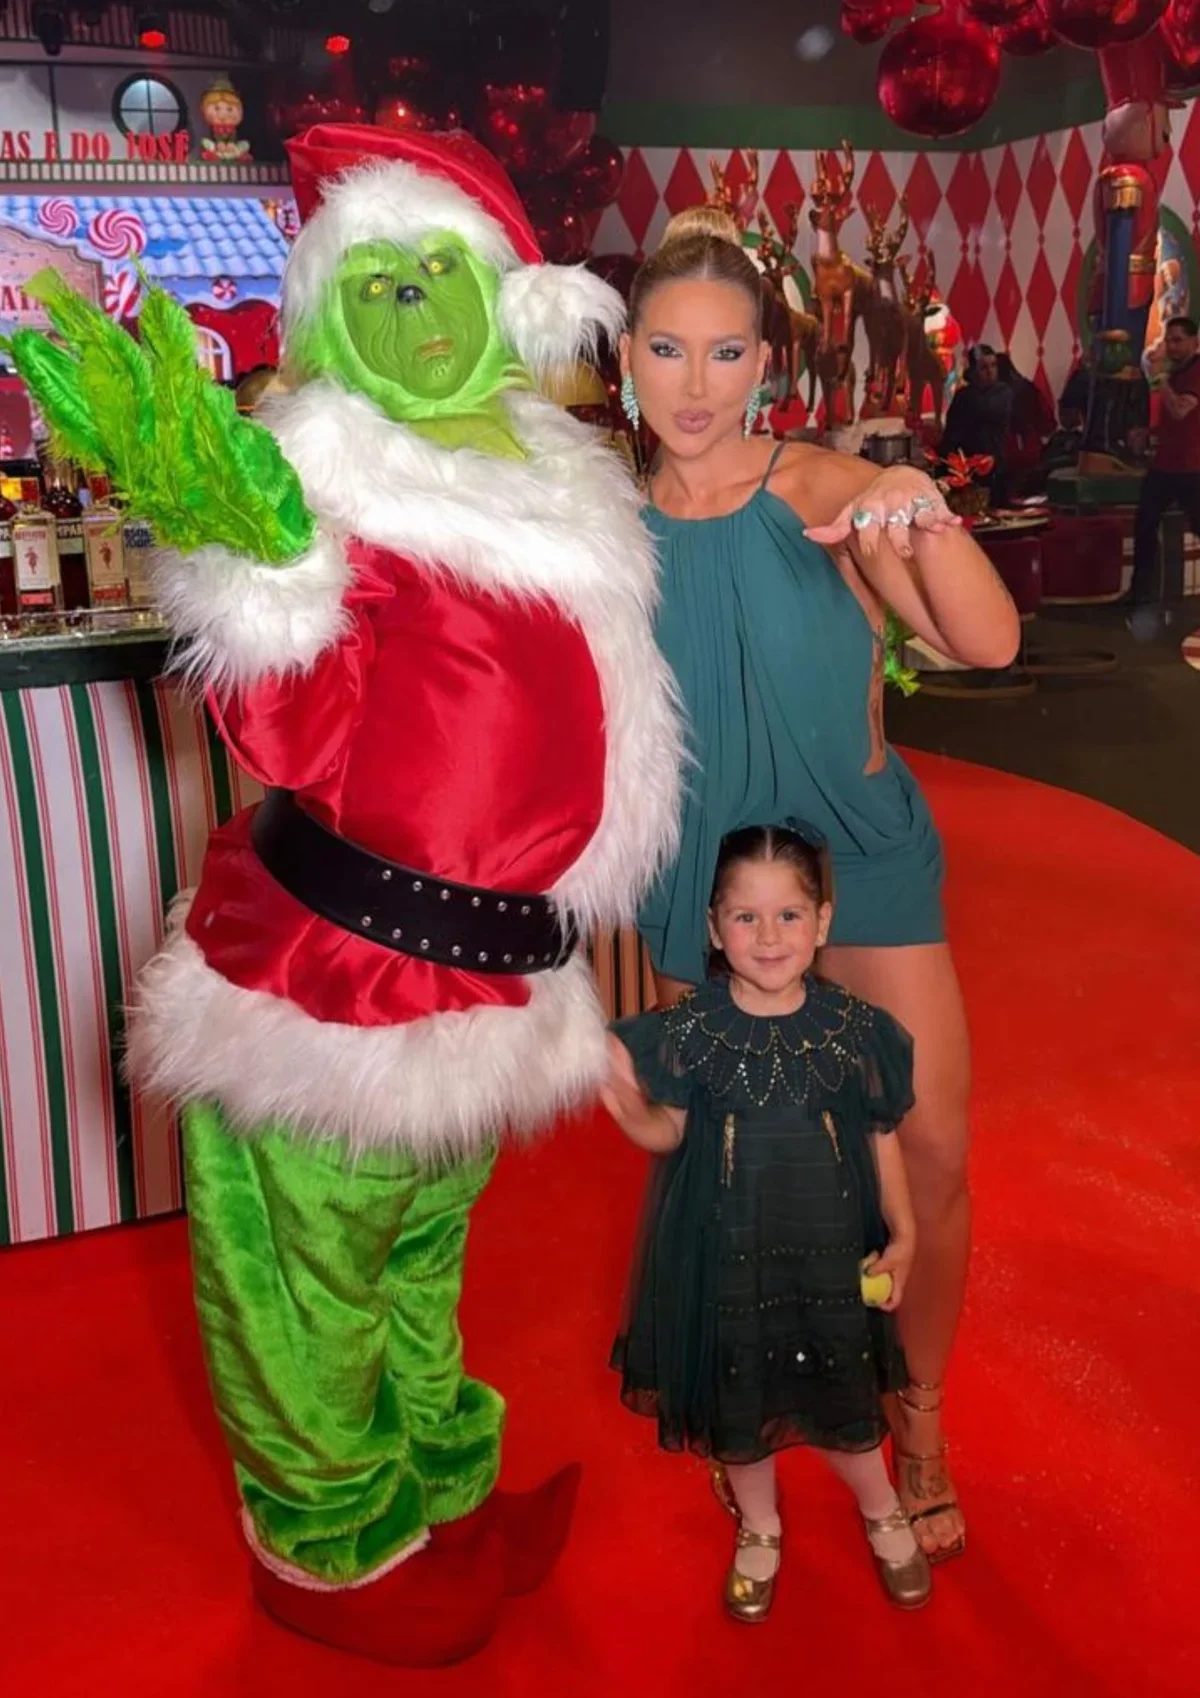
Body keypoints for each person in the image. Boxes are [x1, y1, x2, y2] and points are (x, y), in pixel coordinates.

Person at [8, 123, 683, 1667]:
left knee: (421, 1259)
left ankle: (440, 1486)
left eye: (435, 268)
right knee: (307, 1284)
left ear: (503, 294)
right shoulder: (331, 490)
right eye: (369, 282)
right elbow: (288, 729)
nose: (408, 305)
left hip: (496, 975)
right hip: (340, 974)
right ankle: (331, 1548)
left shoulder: (548, 471)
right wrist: (251, 561)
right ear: (325, 317)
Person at [619, 227, 1020, 1563]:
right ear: (625, 357)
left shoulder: (819, 489)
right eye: (666, 348)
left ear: (764, 365)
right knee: (749, 1181)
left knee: (932, 1151)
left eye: (725, 352)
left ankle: (922, 1413)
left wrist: (913, 499)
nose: (694, 385)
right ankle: (767, 1408)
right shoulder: (604, 531)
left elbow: (988, 639)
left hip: (857, 861)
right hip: (707, 883)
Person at [604, 824, 931, 1620]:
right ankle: (760, 1522)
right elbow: (670, 1134)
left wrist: (905, 1232)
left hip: (830, 1246)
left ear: (822, 922)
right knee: (739, 1392)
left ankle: (882, 1506)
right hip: (729, 1248)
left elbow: (879, 1135)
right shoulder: (692, 1031)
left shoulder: (855, 1030)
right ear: (715, 928)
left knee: (845, 1385)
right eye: (745, 917)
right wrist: (621, 1100)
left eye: (789, 915)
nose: (769, 936)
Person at [1129, 314, 1200, 605]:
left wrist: (1159, 380)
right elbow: (1175, 422)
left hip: (1193, 466)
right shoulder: (1175, 374)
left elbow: (1181, 410)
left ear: (1195, 342)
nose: (1172, 347)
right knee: (1145, 525)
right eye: (1169, 341)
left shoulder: (1195, 372)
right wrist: (1149, 433)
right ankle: (1140, 592)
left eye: (1178, 340)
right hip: (1166, 464)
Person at [941, 343, 1014, 503]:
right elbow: (952, 432)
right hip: (966, 469)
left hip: (994, 467)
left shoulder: (1003, 392)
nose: (990, 371)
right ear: (973, 371)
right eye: (983, 368)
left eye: (993, 365)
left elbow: (985, 408)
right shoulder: (963, 395)